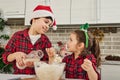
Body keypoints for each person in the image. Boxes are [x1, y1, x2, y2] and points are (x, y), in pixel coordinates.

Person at [2, 5, 57, 74]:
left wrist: (37, 63)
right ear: (34, 19)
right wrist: (15, 55)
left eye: (49, 25)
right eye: (46, 22)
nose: (47, 26)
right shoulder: (18, 36)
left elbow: (48, 63)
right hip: (19, 77)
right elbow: (5, 57)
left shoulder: (45, 41)